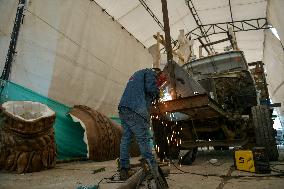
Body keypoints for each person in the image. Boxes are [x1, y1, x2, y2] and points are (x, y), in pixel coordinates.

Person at [118, 68, 164, 180]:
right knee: (143, 139)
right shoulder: (150, 73)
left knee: (126, 139)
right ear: (157, 74)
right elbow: (151, 88)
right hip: (136, 110)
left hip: (124, 108)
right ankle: (152, 169)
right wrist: (158, 93)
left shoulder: (137, 74)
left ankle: (124, 169)